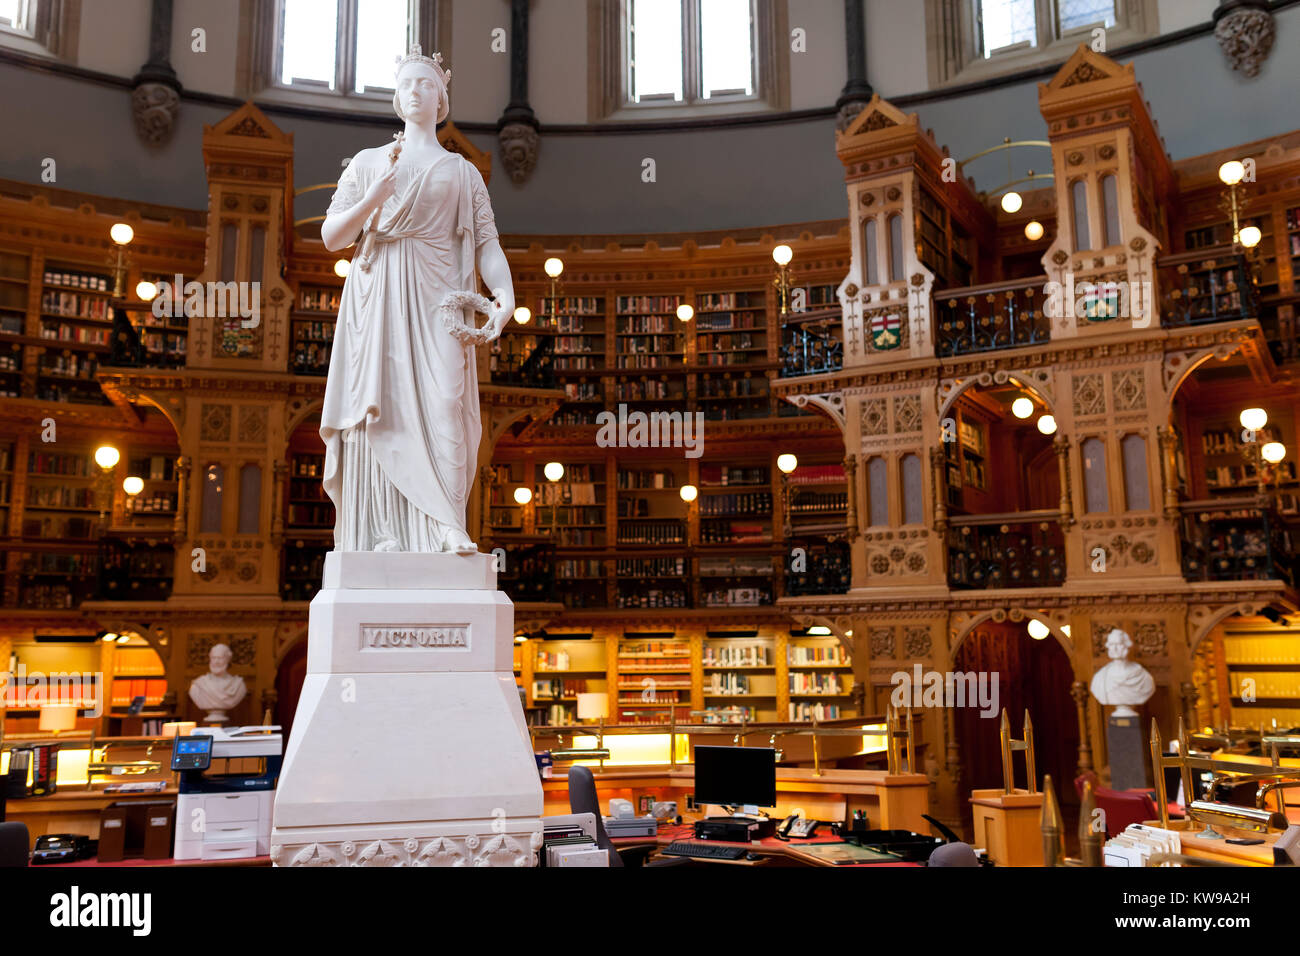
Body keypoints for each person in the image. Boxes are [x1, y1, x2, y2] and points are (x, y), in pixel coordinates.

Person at [320, 46, 515, 554]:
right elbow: (333, 237)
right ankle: (382, 533)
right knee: (381, 407)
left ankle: (446, 523)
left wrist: (505, 293)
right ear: (395, 98)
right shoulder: (368, 164)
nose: (415, 91)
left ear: (441, 99)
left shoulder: (463, 171)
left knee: (446, 403)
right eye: (406, 83)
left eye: (425, 84)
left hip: (440, 299)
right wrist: (372, 199)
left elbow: (488, 242)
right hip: (379, 292)